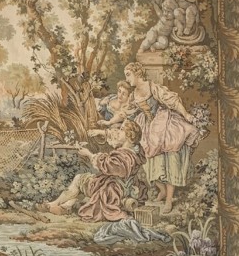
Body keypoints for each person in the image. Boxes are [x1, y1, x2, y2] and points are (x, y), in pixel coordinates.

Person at [126, 62, 198, 214]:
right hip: (147, 127)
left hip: (163, 124)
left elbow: (173, 101)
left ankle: (169, 200)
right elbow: (127, 112)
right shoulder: (133, 95)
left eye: (128, 75)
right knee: (149, 162)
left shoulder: (153, 87)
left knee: (171, 161)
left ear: (137, 73)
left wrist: (185, 114)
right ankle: (162, 190)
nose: (127, 79)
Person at [44, 120, 146, 221]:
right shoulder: (135, 152)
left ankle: (54, 203)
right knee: (87, 181)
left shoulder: (124, 156)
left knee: (79, 179)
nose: (118, 132)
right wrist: (100, 132)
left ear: (129, 137)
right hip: (125, 187)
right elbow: (114, 138)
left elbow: (108, 165)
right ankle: (66, 207)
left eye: (122, 129)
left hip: (113, 189)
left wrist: (89, 154)